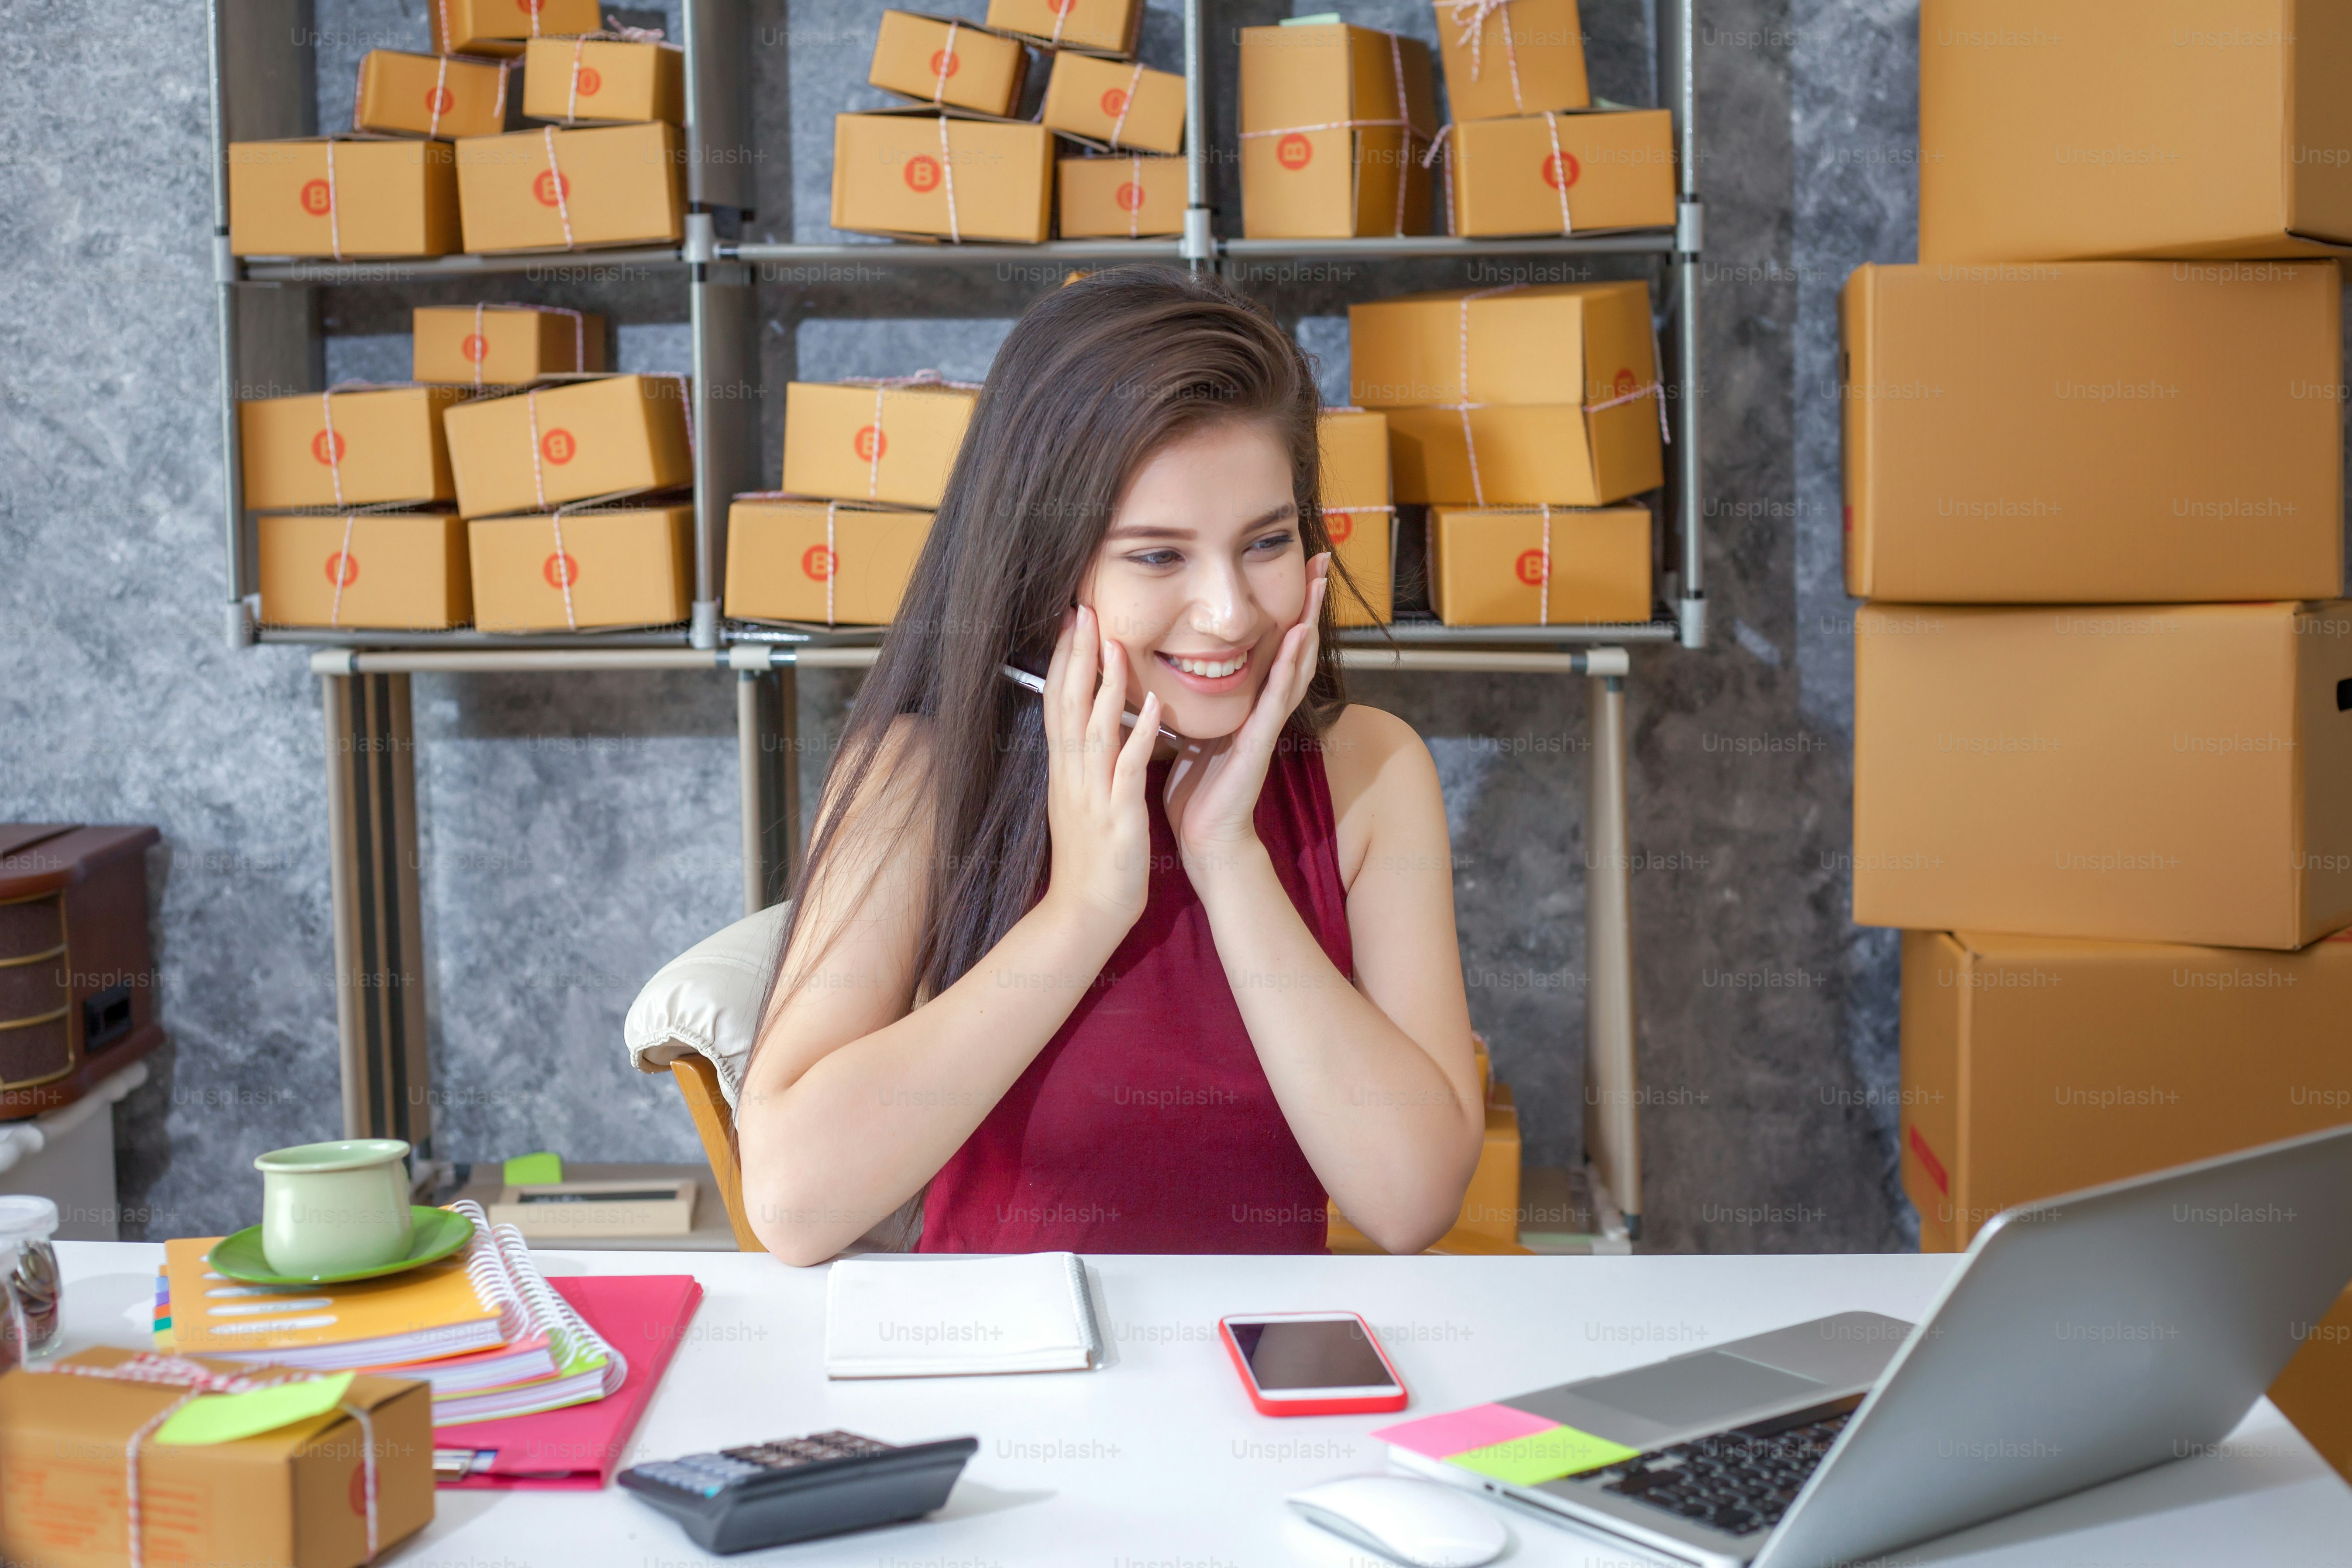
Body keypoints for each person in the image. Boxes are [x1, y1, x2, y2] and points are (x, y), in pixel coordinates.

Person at [737, 268, 1481, 1265]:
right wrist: (1085, 907)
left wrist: (1228, 857)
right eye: (1158, 557)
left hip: (1251, 1392)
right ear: (1049, 567)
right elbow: (792, 1205)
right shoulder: (919, 778)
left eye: (1265, 540)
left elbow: (1411, 1200)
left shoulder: (1372, 772)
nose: (1230, 611)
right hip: (1002, 1388)